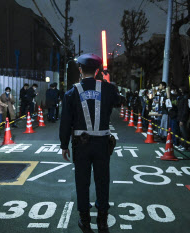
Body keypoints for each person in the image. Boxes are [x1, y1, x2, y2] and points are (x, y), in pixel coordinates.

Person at [60, 53, 119, 233]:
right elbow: (117, 102)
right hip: (102, 143)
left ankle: (85, 220)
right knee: (102, 180)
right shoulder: (108, 89)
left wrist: (64, 145)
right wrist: (107, 83)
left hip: (81, 144)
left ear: (80, 70)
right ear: (98, 70)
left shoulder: (72, 92)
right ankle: (102, 221)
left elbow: (65, 121)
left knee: (82, 181)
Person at [177, 86, 190, 151]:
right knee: (182, 132)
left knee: (184, 132)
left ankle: (185, 145)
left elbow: (185, 110)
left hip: (183, 117)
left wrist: (182, 119)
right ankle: (182, 144)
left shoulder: (186, 97)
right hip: (180, 116)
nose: (180, 90)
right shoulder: (182, 97)